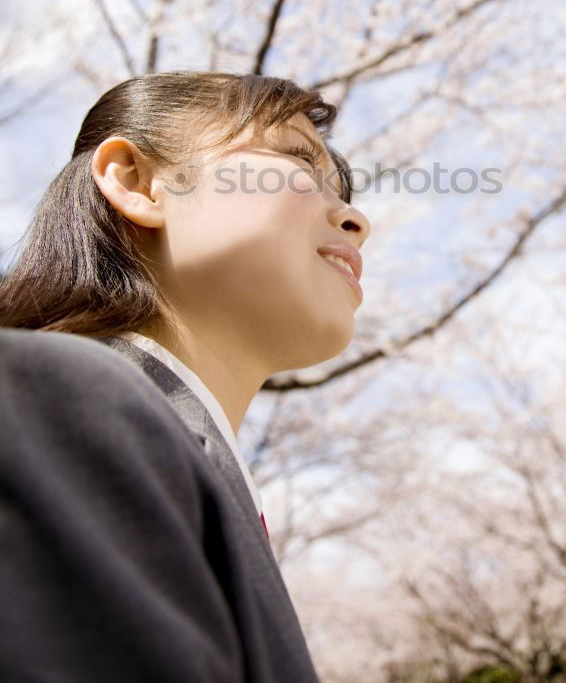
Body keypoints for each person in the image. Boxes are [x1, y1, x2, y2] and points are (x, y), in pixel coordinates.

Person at [0, 70, 371, 682]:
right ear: (139, 183)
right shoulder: (56, 401)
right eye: (300, 166)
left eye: (342, 192)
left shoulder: (183, 463)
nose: (357, 220)